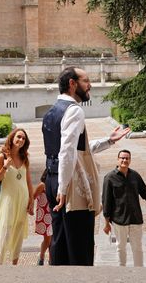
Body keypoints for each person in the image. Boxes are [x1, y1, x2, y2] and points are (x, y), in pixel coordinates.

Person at [42, 67, 101, 266]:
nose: (90, 85)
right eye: (86, 80)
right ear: (72, 84)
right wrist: (63, 188)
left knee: (59, 238)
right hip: (68, 184)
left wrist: (109, 141)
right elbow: (67, 151)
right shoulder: (74, 110)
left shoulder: (52, 110)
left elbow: (76, 149)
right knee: (79, 242)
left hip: (52, 177)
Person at [101, 149, 146, 266]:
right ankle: (122, 271)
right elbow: (106, 201)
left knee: (137, 247)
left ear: (130, 160)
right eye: (122, 158)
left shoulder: (135, 175)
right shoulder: (109, 178)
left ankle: (139, 271)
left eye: (127, 158)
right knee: (121, 247)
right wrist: (106, 222)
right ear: (118, 159)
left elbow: (144, 192)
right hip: (119, 219)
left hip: (136, 218)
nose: (125, 160)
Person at [0, 127, 34, 264]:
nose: (20, 140)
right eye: (18, 137)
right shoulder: (2, 156)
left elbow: (28, 180)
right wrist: (5, 167)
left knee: (19, 231)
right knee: (6, 230)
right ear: (12, 138)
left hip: (23, 199)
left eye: (23, 138)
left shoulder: (24, 157)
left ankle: (14, 265)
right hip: (8, 200)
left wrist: (31, 200)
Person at [32, 170, 52, 265]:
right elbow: (33, 197)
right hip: (44, 215)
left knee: (52, 239)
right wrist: (29, 208)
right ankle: (42, 257)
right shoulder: (42, 185)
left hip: (52, 214)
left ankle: (51, 259)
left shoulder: (56, 185)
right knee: (48, 239)